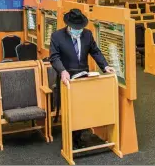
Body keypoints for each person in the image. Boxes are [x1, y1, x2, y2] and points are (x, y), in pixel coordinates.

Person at [49, 8, 116, 149]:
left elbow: (95, 51)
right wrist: (62, 71)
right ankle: (70, 141)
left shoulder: (87, 34)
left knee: (82, 107)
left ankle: (78, 137)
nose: (77, 31)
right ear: (68, 25)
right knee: (70, 109)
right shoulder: (57, 36)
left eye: (80, 28)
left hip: (83, 77)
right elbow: (54, 57)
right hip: (66, 77)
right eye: (75, 28)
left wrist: (105, 66)